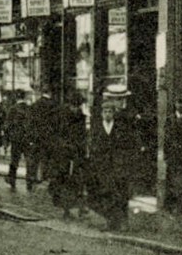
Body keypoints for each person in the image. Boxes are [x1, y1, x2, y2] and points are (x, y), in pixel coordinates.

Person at [88, 88, 138, 231]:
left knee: (121, 194)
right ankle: (109, 221)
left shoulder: (120, 127)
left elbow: (127, 146)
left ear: (113, 113)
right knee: (106, 194)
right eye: (105, 112)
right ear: (102, 113)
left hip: (118, 166)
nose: (108, 114)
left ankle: (123, 221)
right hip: (103, 167)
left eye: (110, 111)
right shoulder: (97, 128)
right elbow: (93, 147)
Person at [47, 92, 87, 219]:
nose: (77, 108)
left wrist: (82, 148)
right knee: (64, 181)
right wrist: (63, 146)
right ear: (70, 105)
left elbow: (82, 135)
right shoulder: (61, 116)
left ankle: (80, 207)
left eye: (79, 106)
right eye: (75, 106)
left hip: (77, 153)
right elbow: (55, 134)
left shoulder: (81, 116)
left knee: (78, 180)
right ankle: (66, 210)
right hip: (63, 154)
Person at [27, 89, 56, 190]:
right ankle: (45, 178)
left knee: (34, 158)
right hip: (49, 137)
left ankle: (32, 178)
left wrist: (31, 136)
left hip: (36, 137)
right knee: (47, 158)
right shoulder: (53, 105)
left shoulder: (35, 105)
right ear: (50, 93)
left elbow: (30, 122)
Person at [5, 90, 31, 190]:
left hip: (16, 139)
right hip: (27, 139)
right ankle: (29, 181)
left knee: (14, 160)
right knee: (28, 160)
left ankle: (12, 180)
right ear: (24, 97)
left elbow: (7, 125)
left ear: (16, 97)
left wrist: (7, 140)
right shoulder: (29, 109)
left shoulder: (13, 109)